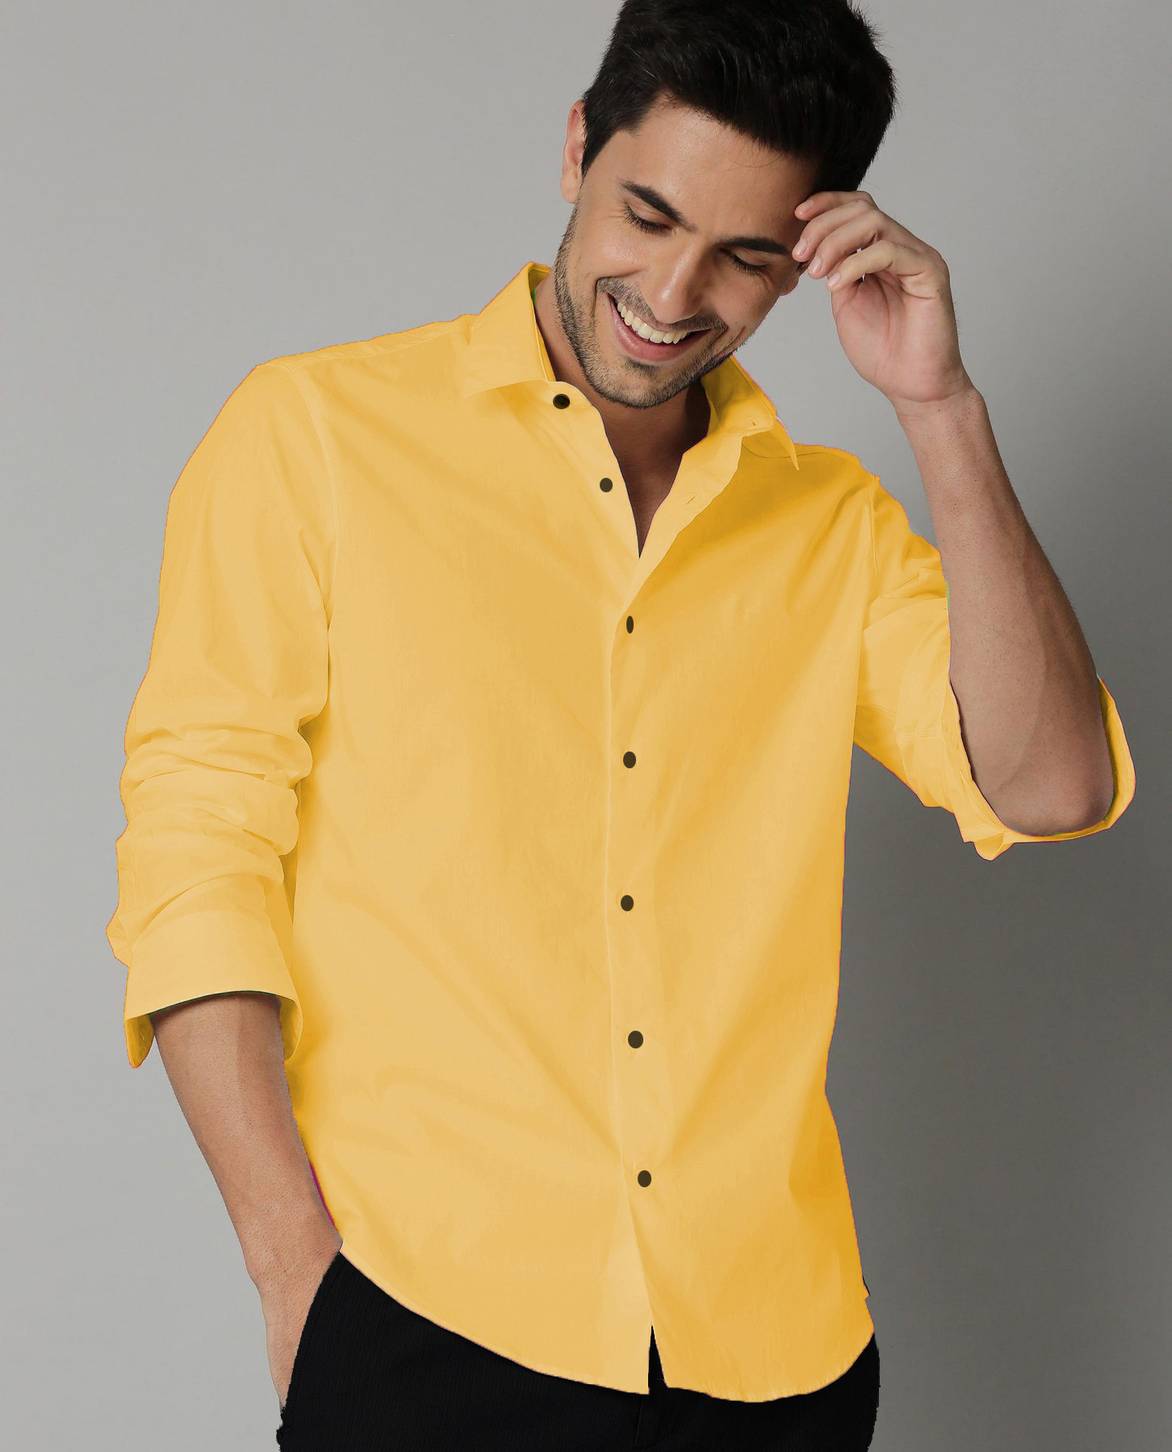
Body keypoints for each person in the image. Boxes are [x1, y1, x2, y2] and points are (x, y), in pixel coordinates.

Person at [104, 2, 1135, 1448]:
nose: (672, 291)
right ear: (578, 146)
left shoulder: (830, 527)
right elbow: (200, 859)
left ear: (811, 256)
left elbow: (1052, 784)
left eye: (745, 256)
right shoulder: (316, 438)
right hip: (426, 1320)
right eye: (647, 215)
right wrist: (298, 1276)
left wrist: (941, 406)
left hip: (773, 1356)